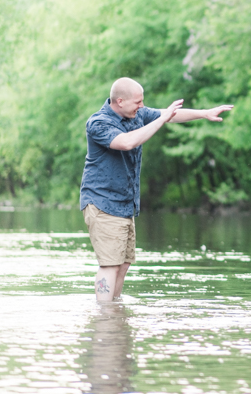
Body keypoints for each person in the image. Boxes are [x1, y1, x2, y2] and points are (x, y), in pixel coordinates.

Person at [80, 77, 233, 302]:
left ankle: (114, 310)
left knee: (123, 264)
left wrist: (203, 113)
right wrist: (160, 120)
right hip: (102, 202)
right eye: (138, 102)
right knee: (109, 264)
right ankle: (105, 318)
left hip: (124, 204)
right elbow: (127, 142)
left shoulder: (135, 114)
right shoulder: (98, 123)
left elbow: (170, 114)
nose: (142, 106)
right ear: (119, 101)